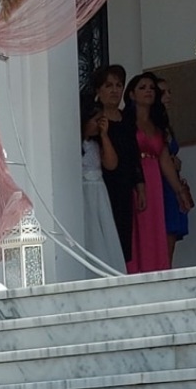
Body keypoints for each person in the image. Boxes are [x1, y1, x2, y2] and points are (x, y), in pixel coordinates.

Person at [122, 73, 193, 275]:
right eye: (142, 87)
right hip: (135, 179)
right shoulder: (125, 122)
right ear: (132, 94)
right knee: (138, 228)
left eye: (152, 88)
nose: (148, 91)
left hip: (155, 180)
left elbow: (164, 160)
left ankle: (157, 271)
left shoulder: (158, 124)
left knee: (156, 227)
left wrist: (179, 191)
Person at [89, 65, 145, 268]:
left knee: (123, 235)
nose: (114, 90)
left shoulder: (127, 118)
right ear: (99, 90)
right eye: (109, 85)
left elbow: (134, 153)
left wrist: (140, 186)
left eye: (118, 85)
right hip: (104, 185)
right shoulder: (95, 121)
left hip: (124, 185)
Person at [79, 89, 130, 272]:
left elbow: (111, 164)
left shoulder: (96, 144)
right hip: (84, 193)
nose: (98, 124)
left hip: (99, 193)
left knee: (103, 231)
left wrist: (104, 135)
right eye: (96, 120)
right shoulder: (76, 145)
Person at [156, 78, 193, 264]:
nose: (168, 96)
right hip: (159, 184)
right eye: (163, 93)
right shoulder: (151, 124)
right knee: (163, 234)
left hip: (171, 183)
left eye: (169, 92)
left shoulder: (165, 123)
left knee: (171, 235)